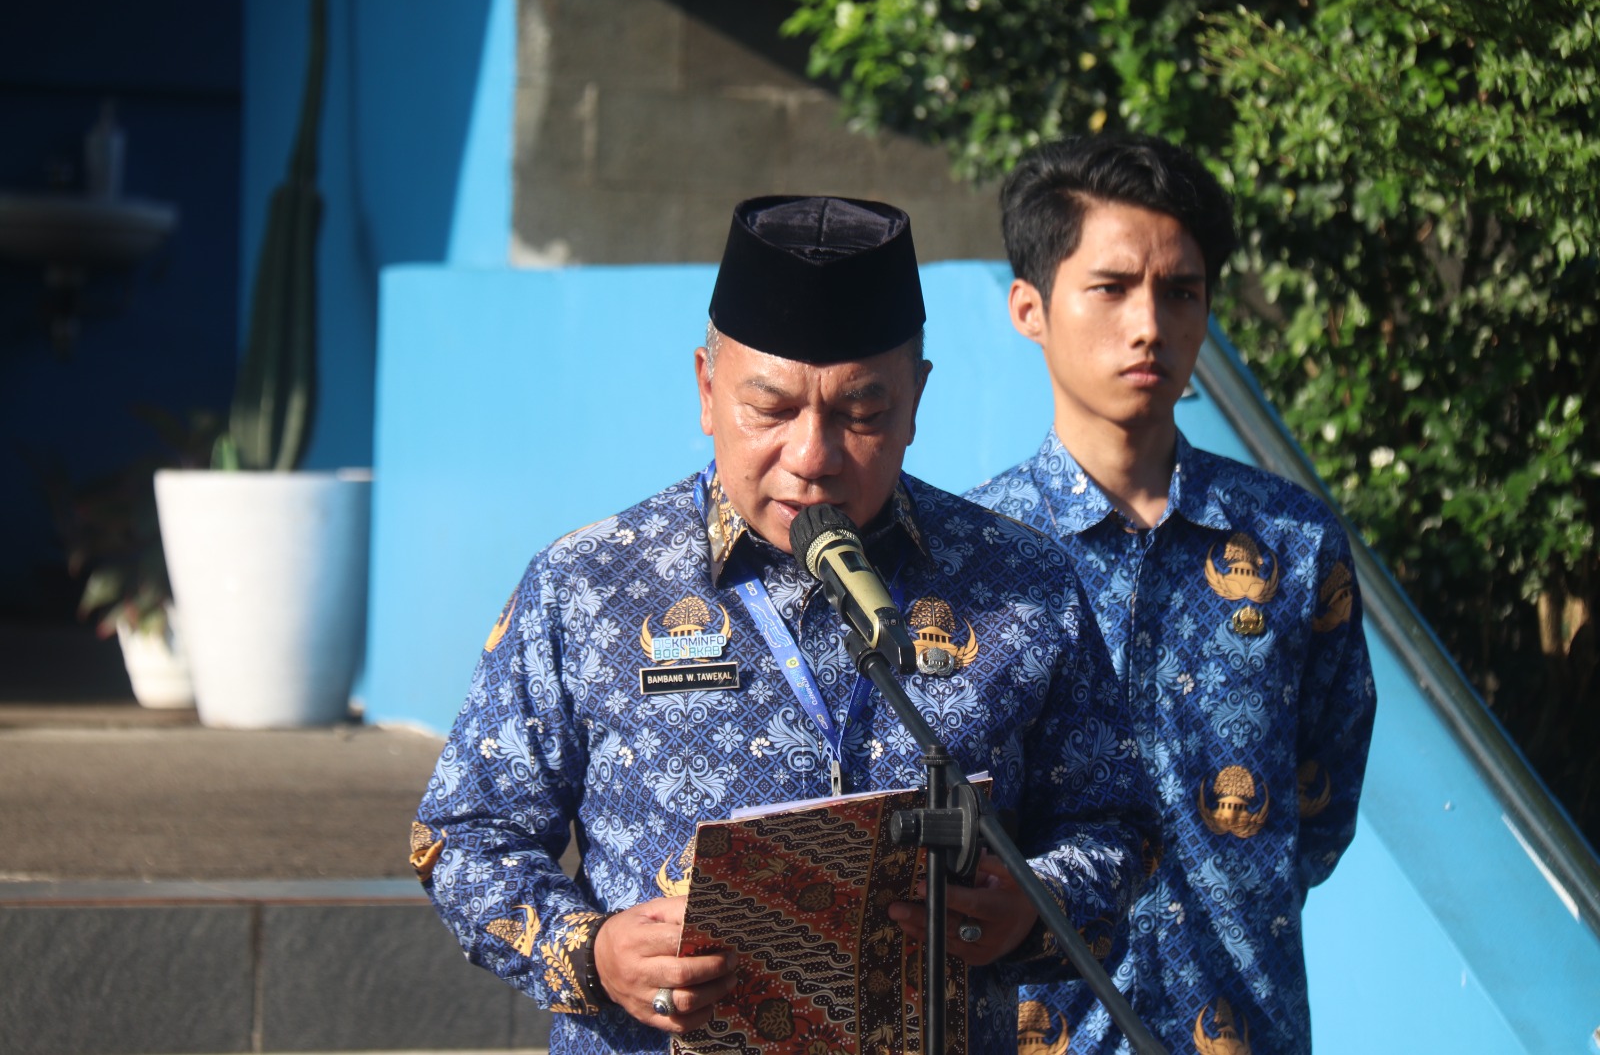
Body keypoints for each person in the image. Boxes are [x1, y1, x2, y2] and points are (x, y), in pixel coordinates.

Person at [410, 194, 1162, 1055]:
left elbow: (1119, 822)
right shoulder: (588, 587)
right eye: (769, 410)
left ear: (915, 399)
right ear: (707, 389)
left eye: (861, 415)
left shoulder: (1021, 585)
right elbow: (464, 834)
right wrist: (591, 951)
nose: (812, 457)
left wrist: (1036, 903)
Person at [966, 133, 1377, 1054]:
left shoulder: (1292, 542)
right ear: (1029, 308)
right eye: (1111, 288)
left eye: (1181, 291)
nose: (1149, 324)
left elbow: (1323, 798)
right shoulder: (970, 558)